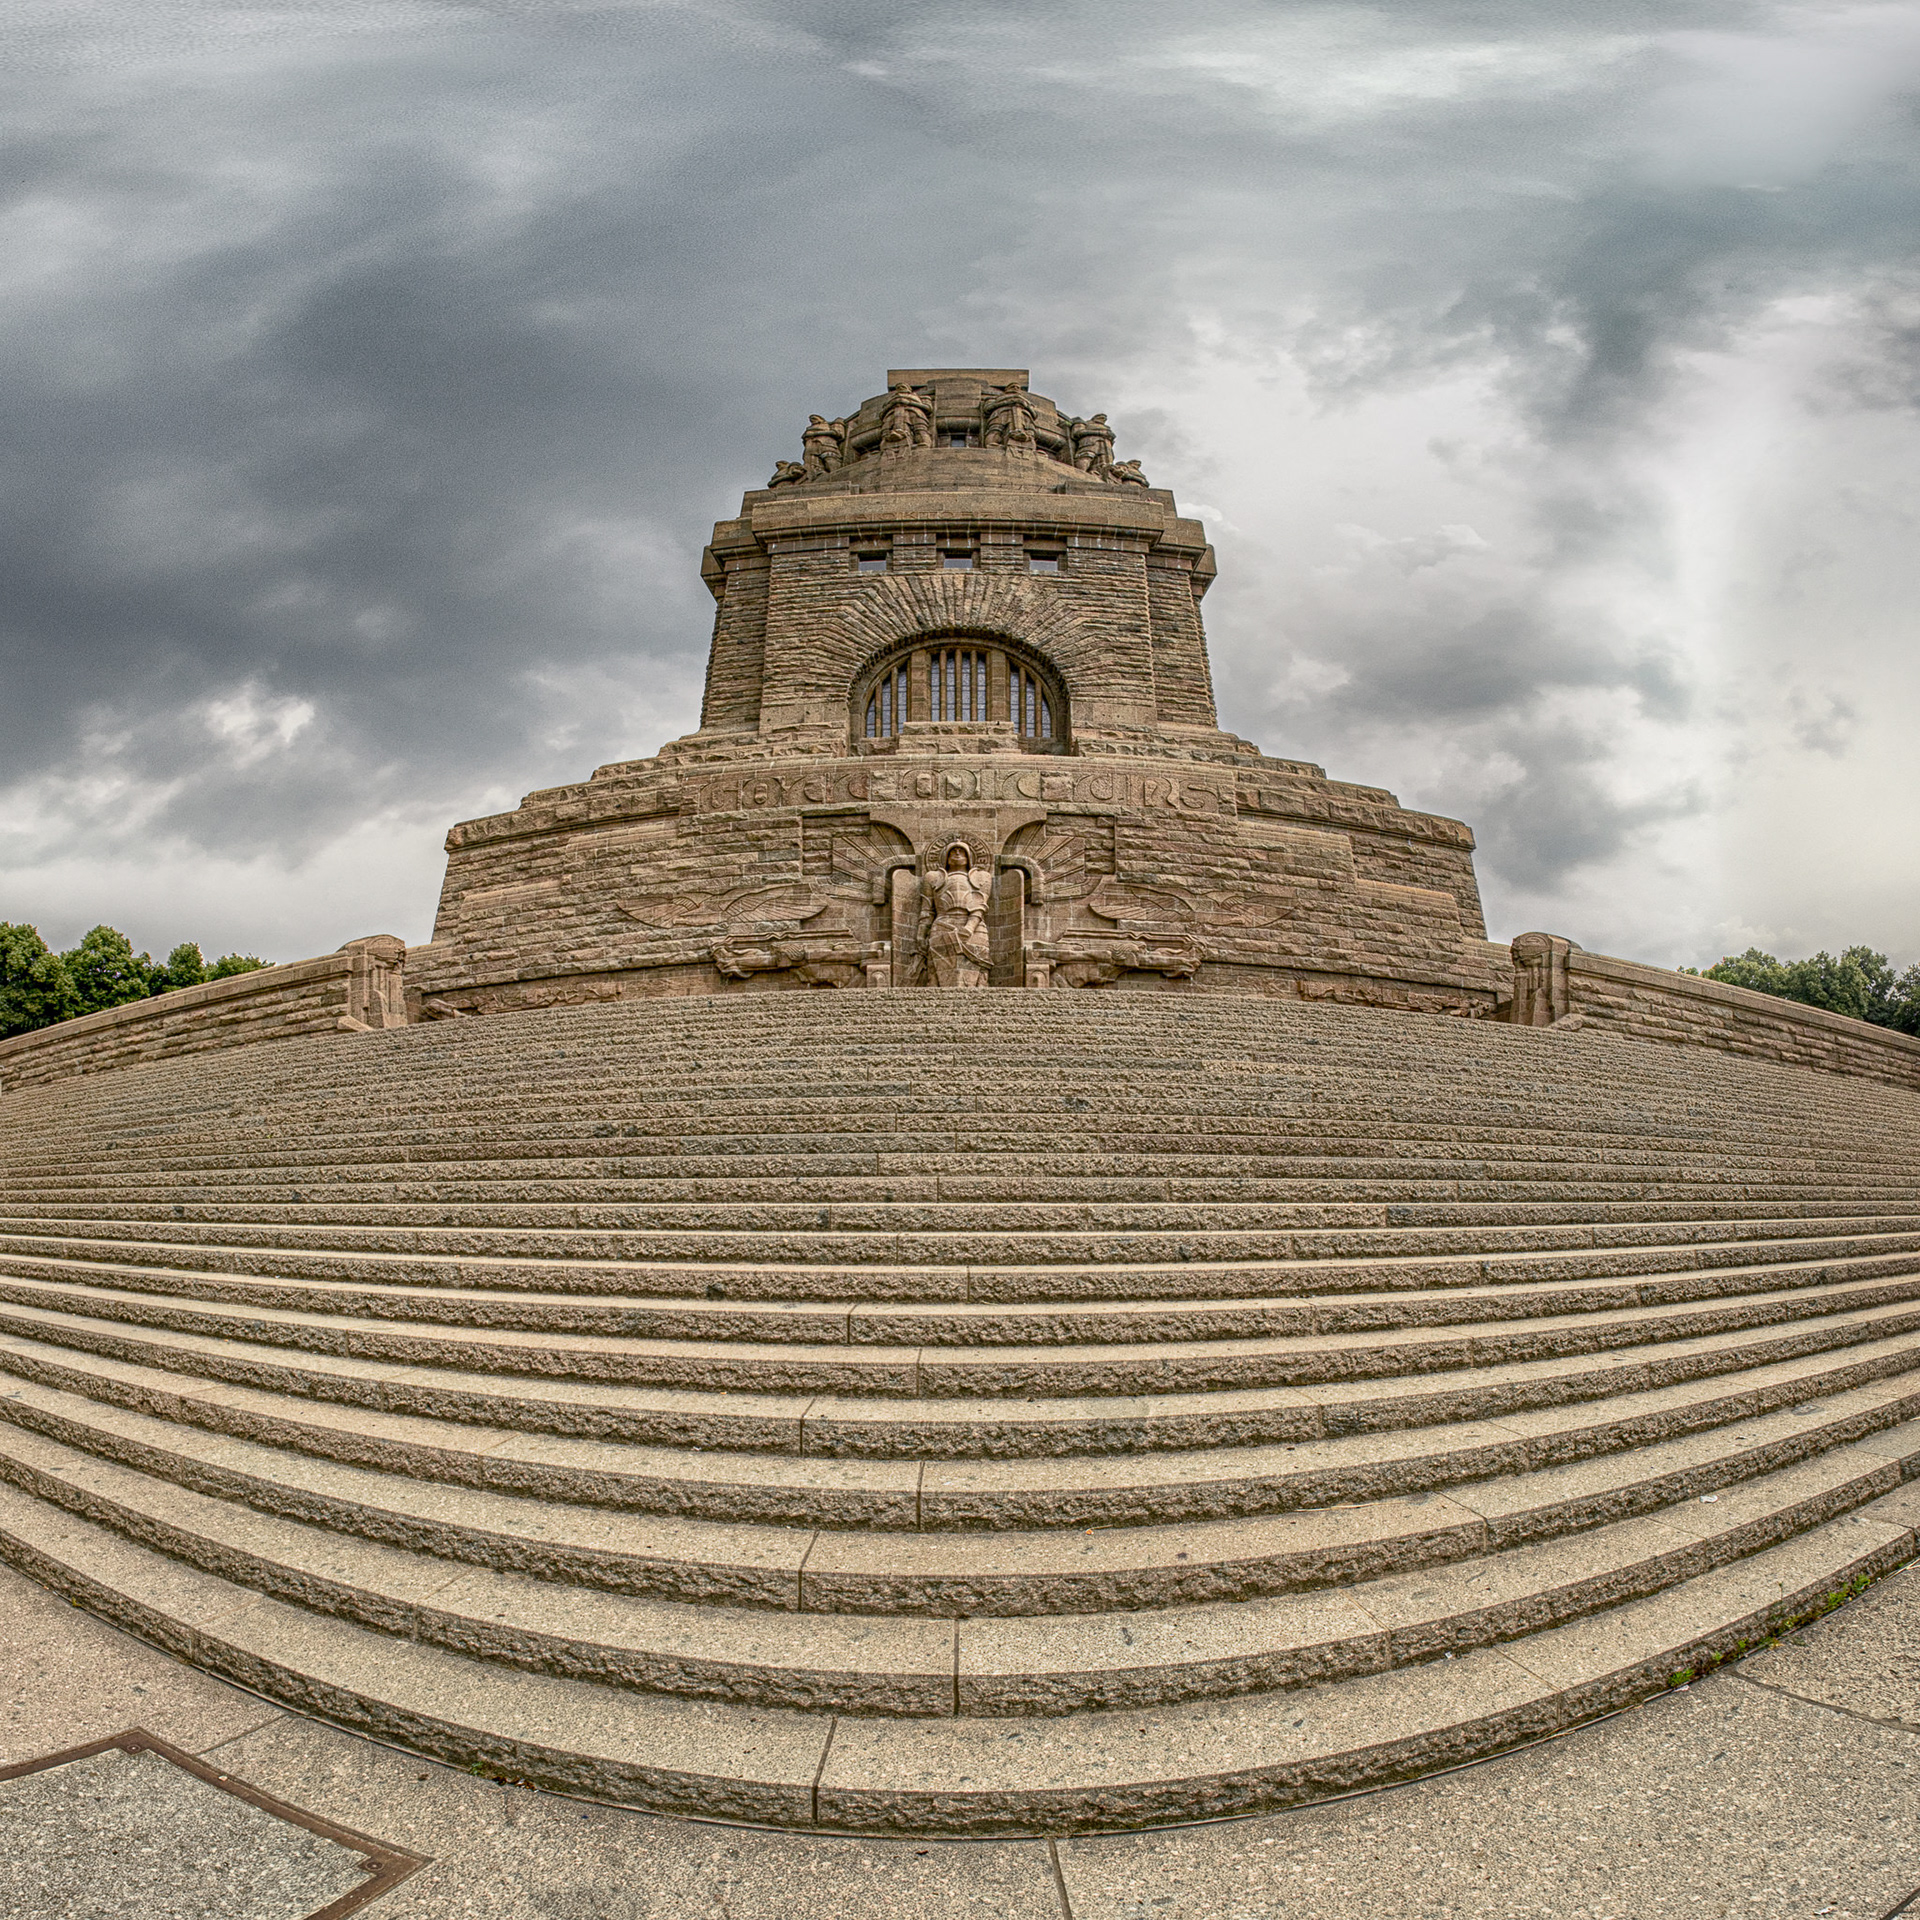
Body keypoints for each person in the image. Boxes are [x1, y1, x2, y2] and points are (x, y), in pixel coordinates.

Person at [915, 841, 993, 988]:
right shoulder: (932, 878)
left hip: (974, 929)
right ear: (946, 856)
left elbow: (980, 905)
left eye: (961, 851)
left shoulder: (982, 877)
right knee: (936, 974)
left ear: (969, 856)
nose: (957, 853)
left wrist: (969, 927)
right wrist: (921, 934)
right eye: (953, 851)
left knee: (979, 969)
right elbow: (927, 910)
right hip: (942, 925)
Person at [1071, 412, 1115, 477]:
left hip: (1106, 445)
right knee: (1086, 456)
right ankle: (1080, 473)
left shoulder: (1107, 428)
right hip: (1090, 442)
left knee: (1103, 462)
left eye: (1104, 418)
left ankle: (1097, 475)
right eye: (1100, 417)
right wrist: (1100, 433)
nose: (1103, 418)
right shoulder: (1086, 423)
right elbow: (1077, 432)